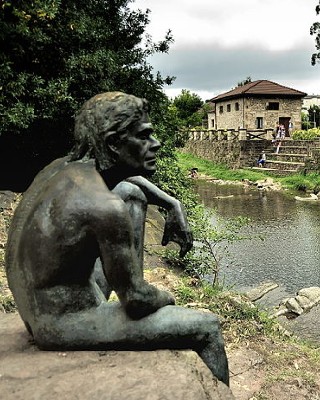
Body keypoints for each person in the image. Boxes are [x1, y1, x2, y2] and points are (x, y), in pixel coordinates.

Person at [5, 92, 229, 385]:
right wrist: (165, 298)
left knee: (131, 193)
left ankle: (130, 279)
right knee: (208, 328)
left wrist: (171, 202)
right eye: (144, 136)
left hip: (38, 303)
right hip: (63, 322)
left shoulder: (61, 168)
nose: (155, 143)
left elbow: (125, 178)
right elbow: (138, 302)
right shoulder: (105, 208)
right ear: (113, 143)